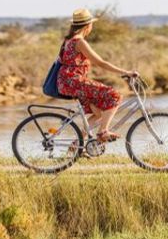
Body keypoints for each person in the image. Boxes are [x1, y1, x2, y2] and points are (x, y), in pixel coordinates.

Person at [57, 9, 138, 142]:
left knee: (100, 112)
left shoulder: (68, 40)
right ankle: (103, 132)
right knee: (114, 95)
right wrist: (126, 72)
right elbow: (101, 62)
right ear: (88, 26)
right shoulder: (79, 42)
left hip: (66, 81)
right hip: (73, 81)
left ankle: (77, 144)